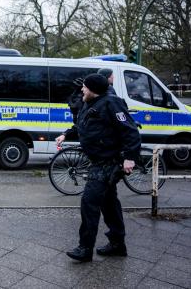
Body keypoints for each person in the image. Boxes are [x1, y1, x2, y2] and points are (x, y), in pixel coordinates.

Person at [55, 73, 140, 262]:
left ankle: (85, 249)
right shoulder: (90, 103)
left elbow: (130, 131)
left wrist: (130, 158)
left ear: (93, 89)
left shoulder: (112, 103)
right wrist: (65, 134)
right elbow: (82, 126)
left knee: (89, 203)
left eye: (85, 87)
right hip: (97, 161)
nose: (82, 89)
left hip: (108, 161)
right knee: (109, 203)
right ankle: (118, 244)